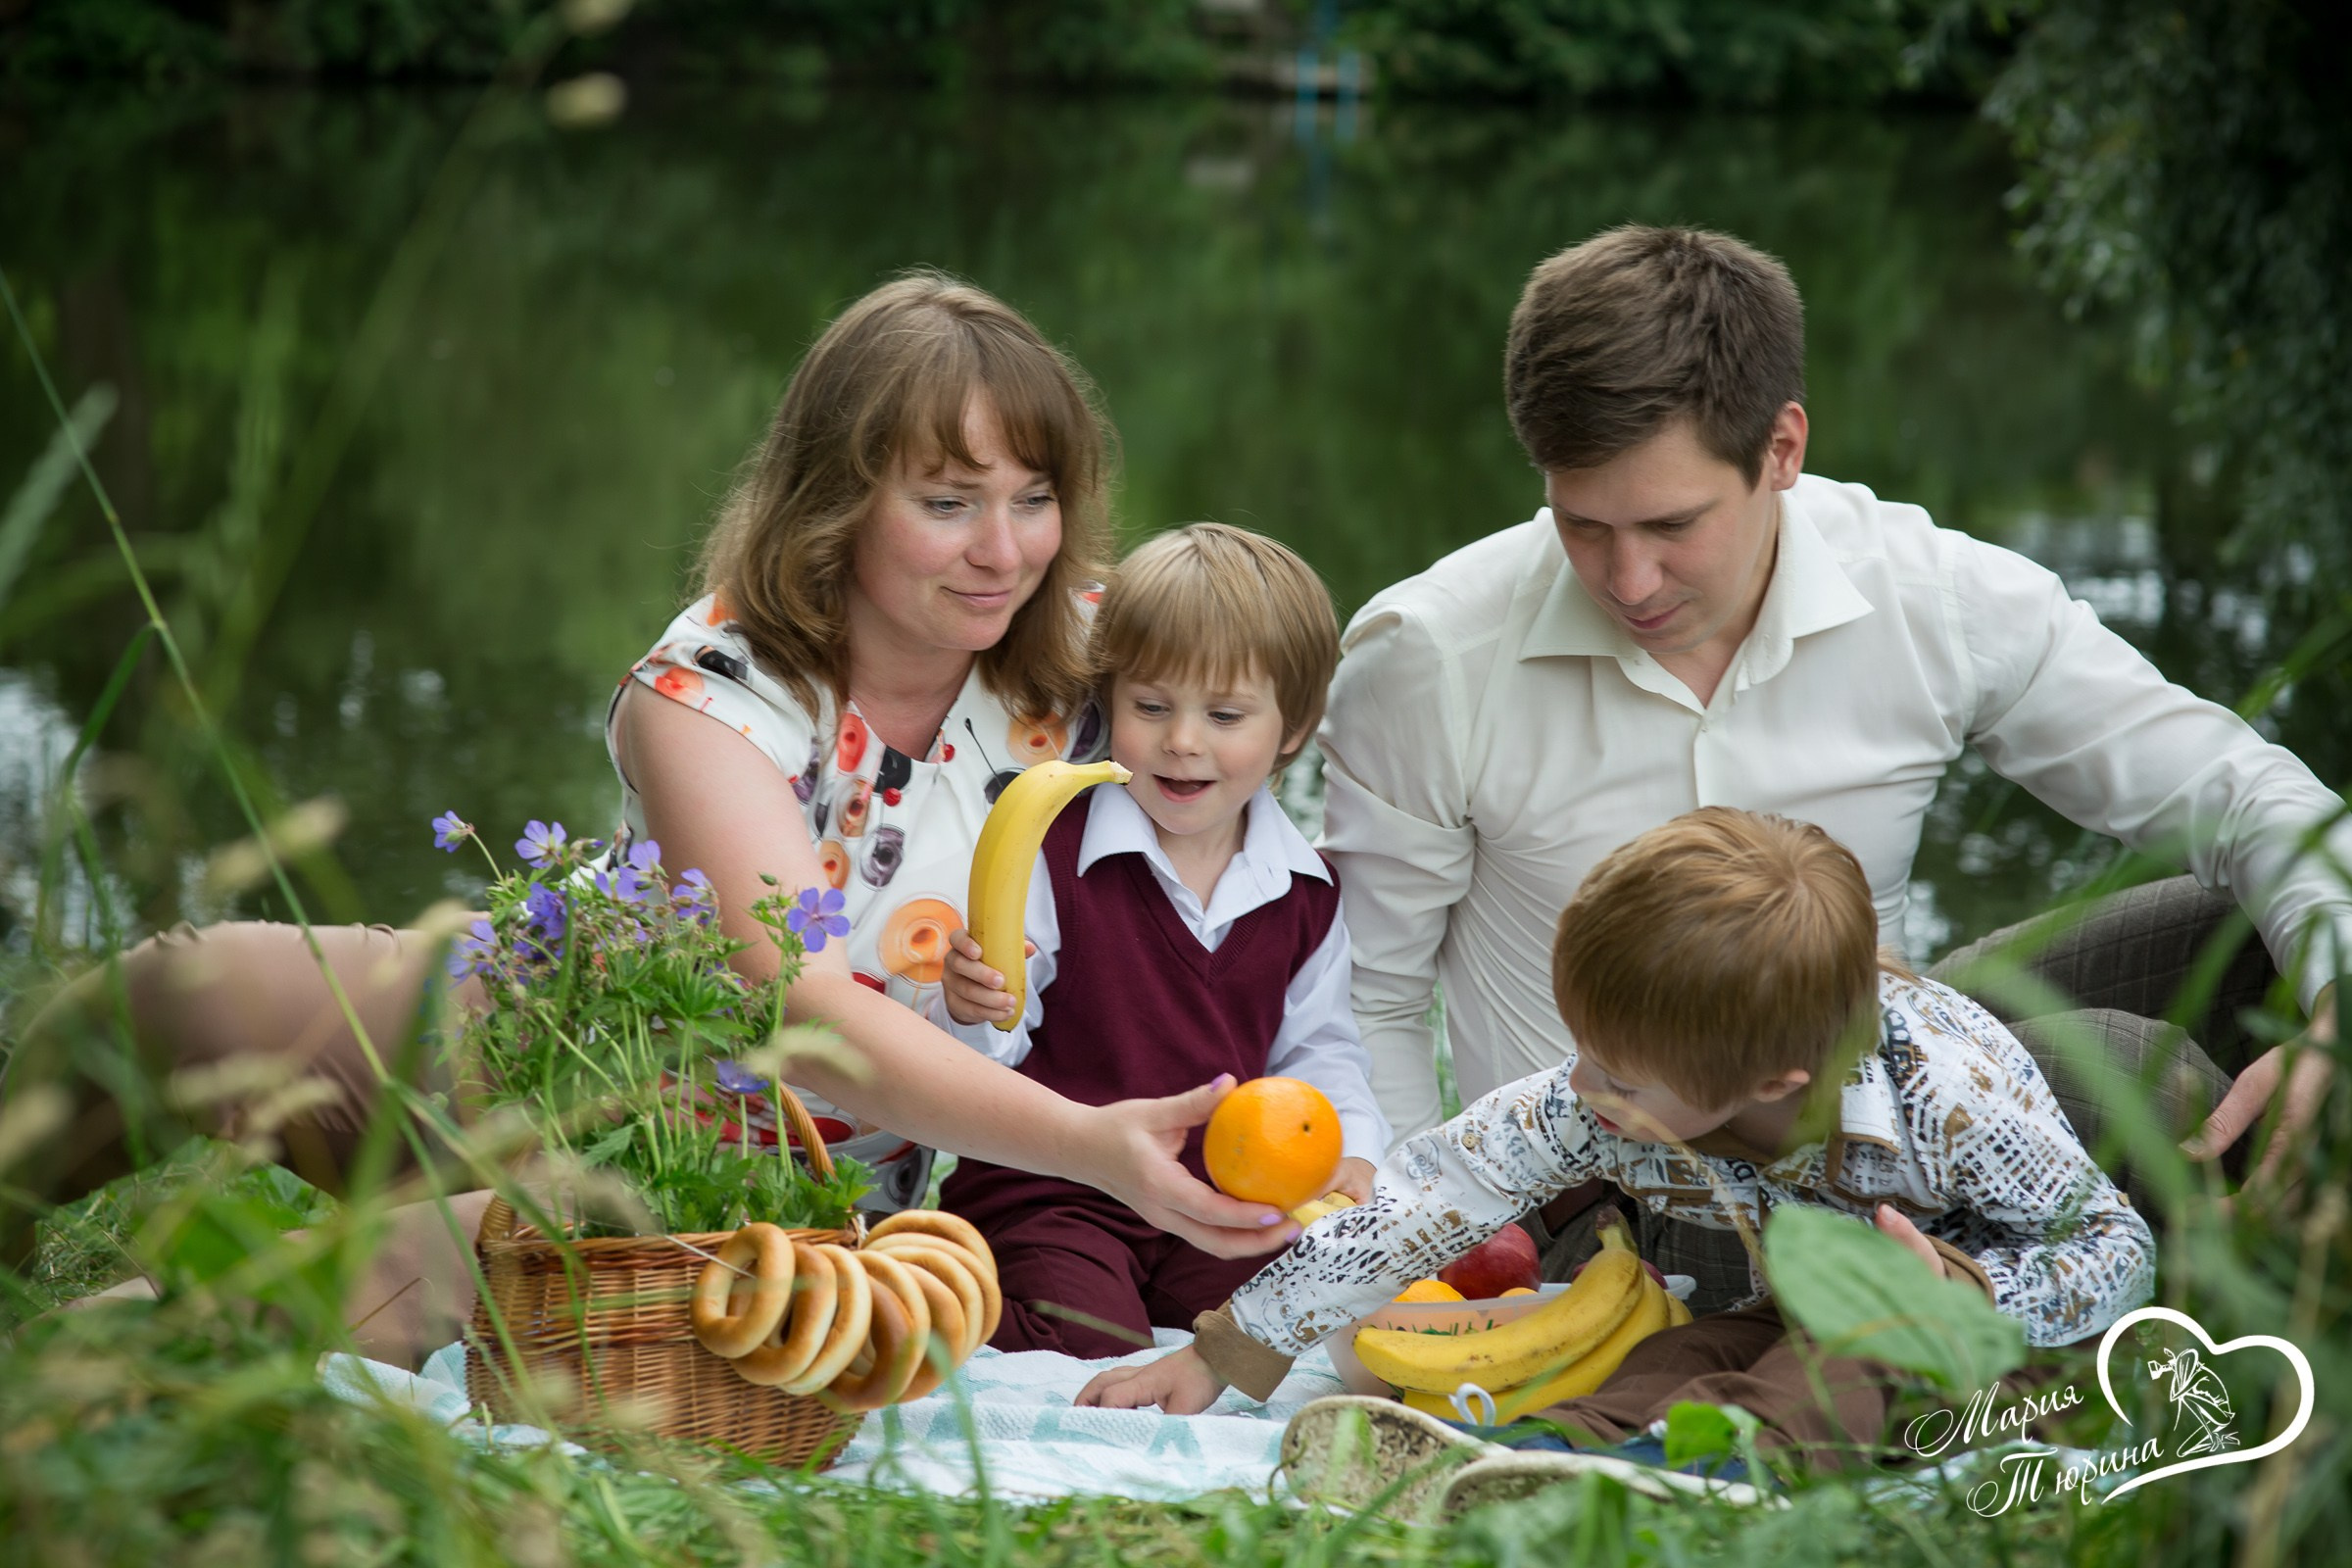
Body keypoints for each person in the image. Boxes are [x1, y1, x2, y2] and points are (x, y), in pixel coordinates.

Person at [3, 273, 1301, 1358]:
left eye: (1035, 499)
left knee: (361, 1282)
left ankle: (79, 1369)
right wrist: (1090, 1144)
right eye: (949, 504)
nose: (1004, 552)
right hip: (553, 1035)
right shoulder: (708, 691)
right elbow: (803, 1007)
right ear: (839, 502)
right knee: (191, 990)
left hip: (738, 1176)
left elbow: (1275, 682)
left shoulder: (1099, 659)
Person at [1316, 225, 2344, 1302]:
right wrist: (1430, 1269)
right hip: (1625, 1186)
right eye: (1582, 523)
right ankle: (2163, 1347)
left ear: (1782, 449)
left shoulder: (1932, 597)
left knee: (2261, 945)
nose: (1628, 577)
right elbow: (1369, 1001)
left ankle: (2230, 1326)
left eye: (1673, 523)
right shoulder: (1427, 656)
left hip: (1873, 1084)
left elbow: (2247, 798)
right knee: (2131, 1073)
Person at [1078, 808, 2157, 1493]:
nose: (1583, 1087)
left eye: (1618, 1075)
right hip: (1808, 1301)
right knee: (1690, 1352)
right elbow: (1428, 1198)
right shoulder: (1608, 1093)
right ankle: (1538, 1458)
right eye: (1583, 1049)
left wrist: (1967, 1294)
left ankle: (1718, 1476)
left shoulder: (1946, 1098)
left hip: (1996, 1346)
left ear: (1773, 1081)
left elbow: (2119, 1247)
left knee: (1857, 1348)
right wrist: (1225, 1349)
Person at [927, 523, 1389, 1355]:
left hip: (1210, 1196)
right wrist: (972, 1006)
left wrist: (1349, 1155)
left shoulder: (1305, 894)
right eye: (1151, 706)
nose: (1182, 740)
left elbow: (1320, 1052)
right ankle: (949, 1304)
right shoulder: (1051, 850)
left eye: (1224, 714)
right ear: (1111, 703)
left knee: (1277, 1327)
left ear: (1293, 728)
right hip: (1054, 1185)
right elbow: (987, 1056)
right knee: (1089, 1335)